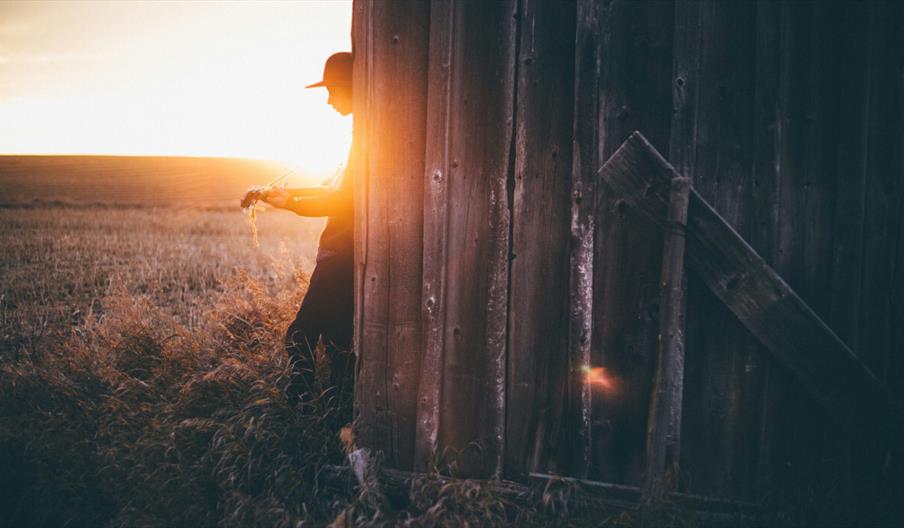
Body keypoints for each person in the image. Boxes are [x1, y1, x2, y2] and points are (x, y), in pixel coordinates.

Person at [241, 52, 355, 411]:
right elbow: (333, 194)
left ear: (355, 87)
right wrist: (280, 197)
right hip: (344, 256)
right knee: (337, 342)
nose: (329, 99)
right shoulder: (362, 138)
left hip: (341, 257)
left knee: (300, 335)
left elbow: (339, 203)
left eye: (334, 89)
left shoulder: (368, 142)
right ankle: (338, 417)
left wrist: (287, 200)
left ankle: (300, 407)